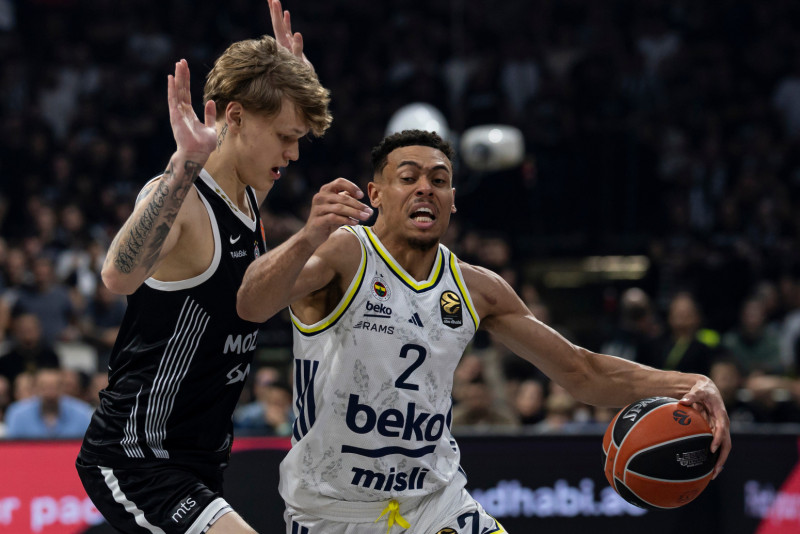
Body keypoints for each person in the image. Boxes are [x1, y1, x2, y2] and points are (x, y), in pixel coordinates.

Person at [237, 129, 732, 533]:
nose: (425, 188)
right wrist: (306, 237)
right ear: (377, 194)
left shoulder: (477, 289)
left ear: (453, 201)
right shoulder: (345, 253)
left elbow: (583, 372)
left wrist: (689, 383)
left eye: (439, 180)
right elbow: (251, 303)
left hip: (433, 504)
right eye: (408, 177)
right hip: (335, 512)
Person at [75, 2, 339, 533]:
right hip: (138, 458)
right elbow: (117, 277)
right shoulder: (183, 197)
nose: (293, 154)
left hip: (200, 459)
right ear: (235, 117)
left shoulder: (249, 191)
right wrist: (182, 166)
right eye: (285, 136)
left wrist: (293, 84)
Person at [5, 366, 93, 439]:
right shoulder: (18, 414)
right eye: (44, 387)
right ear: (35, 388)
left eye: (55, 387)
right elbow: (13, 449)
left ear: (63, 388)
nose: (50, 393)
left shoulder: (82, 412)